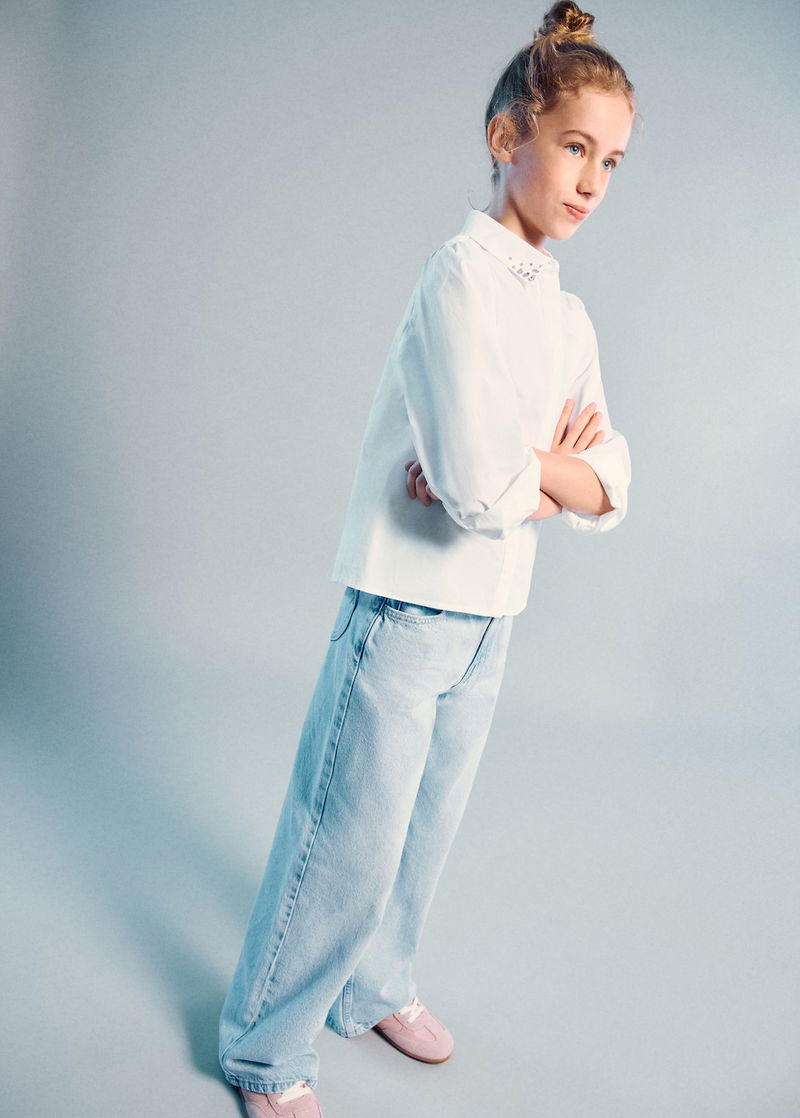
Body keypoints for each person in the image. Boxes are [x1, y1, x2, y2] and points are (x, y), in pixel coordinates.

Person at [219, 3, 636, 1114]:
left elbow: (612, 484)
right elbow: (477, 487)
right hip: (404, 608)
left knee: (423, 833)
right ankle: (265, 1048)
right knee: (344, 838)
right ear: (508, 138)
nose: (592, 181)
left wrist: (526, 467)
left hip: (491, 612)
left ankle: (373, 985)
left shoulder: (568, 318)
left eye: (611, 161)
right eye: (575, 147)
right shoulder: (459, 276)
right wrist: (545, 472)